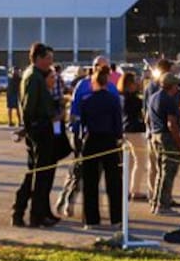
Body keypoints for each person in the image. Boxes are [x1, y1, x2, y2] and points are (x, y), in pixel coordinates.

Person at [58, 55, 117, 217]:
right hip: (84, 136)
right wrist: (76, 133)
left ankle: (96, 210)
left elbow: (116, 113)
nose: (103, 70)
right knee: (79, 171)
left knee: (103, 175)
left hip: (106, 137)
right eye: (99, 67)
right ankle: (68, 199)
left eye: (106, 68)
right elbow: (76, 112)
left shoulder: (111, 88)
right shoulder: (83, 86)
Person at [11, 43, 60, 228]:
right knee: (40, 175)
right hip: (40, 129)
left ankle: (27, 212)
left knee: (37, 173)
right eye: (48, 58)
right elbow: (29, 106)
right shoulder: (34, 77)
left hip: (41, 127)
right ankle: (35, 216)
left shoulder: (38, 76)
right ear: (38, 58)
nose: (51, 62)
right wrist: (30, 127)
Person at [78, 65, 123, 229]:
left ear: (93, 83)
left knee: (90, 183)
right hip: (109, 140)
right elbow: (118, 122)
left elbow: (82, 123)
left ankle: (91, 219)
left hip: (91, 140)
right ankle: (116, 218)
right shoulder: (113, 99)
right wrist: (119, 137)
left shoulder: (86, 100)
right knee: (113, 182)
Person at [147, 72, 180, 213]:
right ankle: (163, 204)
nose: (177, 88)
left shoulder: (153, 97)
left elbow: (148, 118)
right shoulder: (169, 100)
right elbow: (171, 123)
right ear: (171, 86)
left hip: (156, 134)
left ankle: (156, 201)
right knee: (169, 172)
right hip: (167, 136)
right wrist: (179, 142)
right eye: (176, 85)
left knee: (160, 171)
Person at [118, 71, 147, 201]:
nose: (137, 84)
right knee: (140, 161)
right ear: (130, 84)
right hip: (134, 130)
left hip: (124, 130)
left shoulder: (121, 97)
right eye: (134, 82)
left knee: (128, 162)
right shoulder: (133, 99)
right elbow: (141, 110)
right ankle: (135, 190)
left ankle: (125, 189)